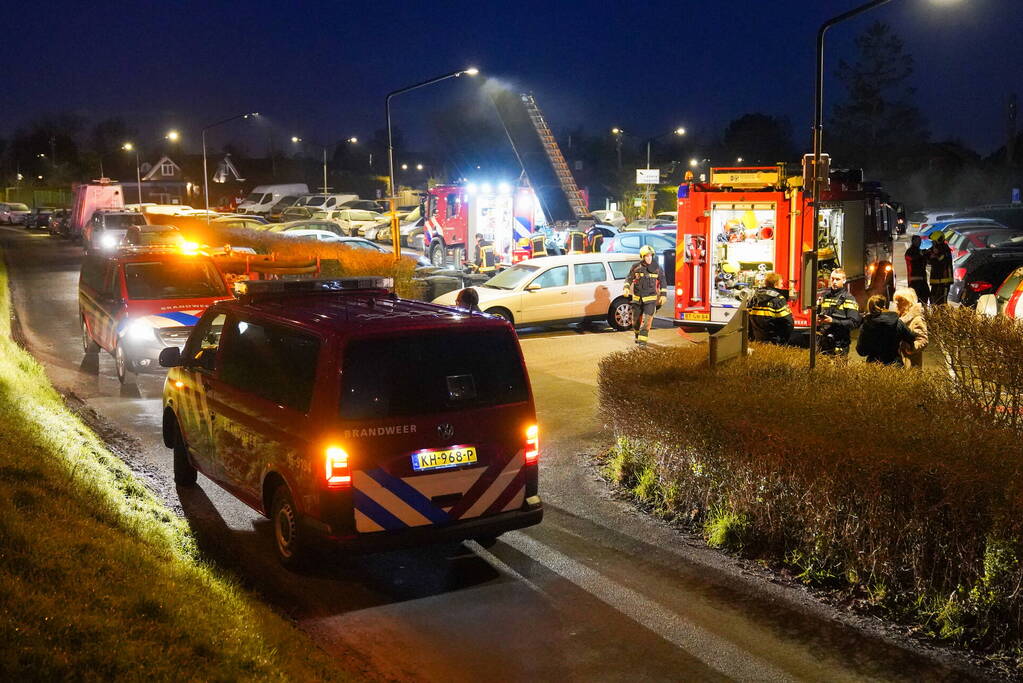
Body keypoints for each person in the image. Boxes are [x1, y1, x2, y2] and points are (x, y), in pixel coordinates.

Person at [856, 295, 916, 366]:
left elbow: (861, 351)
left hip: (874, 366)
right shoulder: (897, 322)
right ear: (884, 306)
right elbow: (911, 337)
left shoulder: (867, 325)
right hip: (895, 364)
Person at [623, 244, 665, 346]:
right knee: (635, 321)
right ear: (642, 257)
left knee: (647, 322)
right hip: (637, 300)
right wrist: (626, 288)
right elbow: (629, 278)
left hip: (650, 300)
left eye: (650, 255)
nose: (649, 258)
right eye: (647, 256)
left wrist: (664, 295)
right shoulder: (635, 267)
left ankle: (642, 342)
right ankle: (637, 334)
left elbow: (663, 281)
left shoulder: (657, 268)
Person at [817, 268, 862, 356]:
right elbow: (819, 313)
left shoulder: (849, 298)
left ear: (844, 280)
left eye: (837, 279)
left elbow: (854, 323)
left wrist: (832, 321)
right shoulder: (825, 296)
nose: (834, 282)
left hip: (839, 344)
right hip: (824, 342)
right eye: (832, 279)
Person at [748, 272, 793, 345]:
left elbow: (747, 319)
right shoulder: (778, 299)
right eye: (781, 283)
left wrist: (751, 338)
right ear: (775, 285)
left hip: (757, 341)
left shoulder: (754, 297)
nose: (782, 286)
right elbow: (788, 323)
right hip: (774, 342)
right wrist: (782, 341)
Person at [893, 287, 928, 368]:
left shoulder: (917, 319)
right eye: (896, 300)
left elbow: (923, 340)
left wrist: (911, 348)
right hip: (897, 362)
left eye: (900, 300)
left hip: (910, 363)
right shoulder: (897, 317)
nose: (897, 303)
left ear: (909, 302)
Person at [927, 232, 953, 305]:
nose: (932, 243)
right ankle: (934, 311)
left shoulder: (945, 249)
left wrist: (935, 256)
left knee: (942, 301)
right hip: (936, 280)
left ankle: (942, 312)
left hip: (944, 280)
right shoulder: (935, 249)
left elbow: (943, 261)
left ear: (938, 240)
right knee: (933, 299)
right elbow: (928, 257)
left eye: (933, 241)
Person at [904, 234, 930, 305]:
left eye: (920, 241)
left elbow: (927, 261)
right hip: (914, 281)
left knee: (925, 298)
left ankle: (924, 310)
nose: (919, 242)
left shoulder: (920, 251)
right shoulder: (909, 252)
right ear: (913, 241)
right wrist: (922, 254)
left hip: (923, 280)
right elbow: (912, 258)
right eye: (917, 241)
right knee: (915, 300)